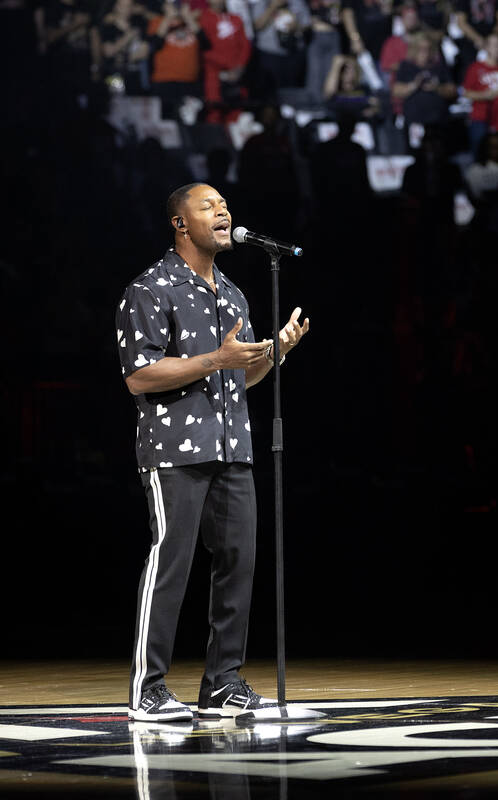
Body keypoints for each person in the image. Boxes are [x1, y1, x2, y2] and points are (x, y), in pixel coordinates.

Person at [117, 182, 310, 721]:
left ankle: (223, 684)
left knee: (238, 563)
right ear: (181, 224)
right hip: (175, 451)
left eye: (225, 204)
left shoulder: (232, 293)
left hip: (233, 448)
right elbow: (139, 376)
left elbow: (238, 379)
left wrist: (276, 353)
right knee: (171, 565)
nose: (223, 211)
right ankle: (148, 690)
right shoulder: (150, 289)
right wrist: (214, 358)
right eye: (208, 206)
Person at [461, 34, 498, 155]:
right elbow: (466, 93)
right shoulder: (475, 68)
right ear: (486, 48)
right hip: (481, 117)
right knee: (480, 151)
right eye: (494, 45)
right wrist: (485, 95)